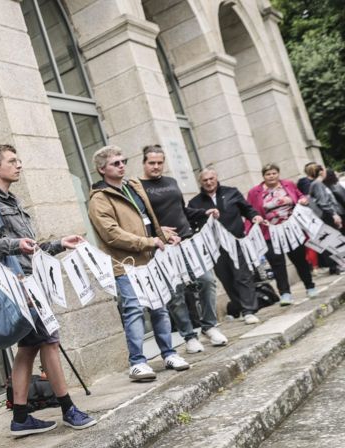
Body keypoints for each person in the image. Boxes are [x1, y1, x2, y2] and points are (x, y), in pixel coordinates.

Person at [0, 144, 95, 436]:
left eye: (19, 160)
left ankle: (21, 417)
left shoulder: (15, 202)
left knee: (29, 347)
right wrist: (13, 245)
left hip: (31, 282)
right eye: (12, 161)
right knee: (49, 340)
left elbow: (29, 249)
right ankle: (68, 409)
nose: (19, 165)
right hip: (17, 287)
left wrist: (60, 244)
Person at [86, 145, 191, 382]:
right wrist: (149, 241)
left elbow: (150, 220)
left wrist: (162, 237)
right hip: (125, 264)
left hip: (150, 259)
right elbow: (112, 234)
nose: (122, 165)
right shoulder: (99, 199)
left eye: (123, 161)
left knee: (159, 306)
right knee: (134, 309)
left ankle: (169, 353)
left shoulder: (132, 187)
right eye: (115, 163)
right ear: (102, 169)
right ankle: (137, 362)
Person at [139, 145, 227, 354]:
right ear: (144, 163)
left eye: (160, 162)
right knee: (175, 294)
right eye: (152, 162)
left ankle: (209, 326)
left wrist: (205, 213)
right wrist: (158, 233)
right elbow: (140, 220)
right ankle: (189, 336)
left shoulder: (171, 182)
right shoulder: (138, 187)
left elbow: (182, 210)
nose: (156, 166)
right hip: (164, 248)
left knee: (207, 280)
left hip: (187, 241)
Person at [189, 168, 265, 325]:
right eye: (205, 180)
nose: (209, 182)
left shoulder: (232, 192)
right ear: (200, 183)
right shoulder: (195, 203)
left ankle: (248, 310)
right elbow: (191, 224)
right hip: (215, 248)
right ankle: (240, 305)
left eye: (211, 179)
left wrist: (254, 216)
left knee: (242, 275)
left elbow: (247, 209)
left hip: (236, 242)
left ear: (216, 178)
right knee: (226, 278)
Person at [246, 163, 316, 304]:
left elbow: (300, 196)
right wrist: (249, 230)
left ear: (278, 174)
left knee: (299, 259)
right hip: (269, 231)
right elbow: (249, 210)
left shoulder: (288, 184)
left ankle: (309, 286)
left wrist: (303, 200)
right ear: (263, 176)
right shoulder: (255, 192)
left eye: (274, 173)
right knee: (277, 263)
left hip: (291, 229)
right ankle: (285, 294)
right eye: (268, 174)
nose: (271, 176)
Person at [304, 163, 343, 274]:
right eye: (324, 170)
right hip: (326, 217)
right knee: (332, 241)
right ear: (320, 172)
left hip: (325, 216)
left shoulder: (318, 184)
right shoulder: (317, 184)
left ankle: (337, 266)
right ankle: (337, 266)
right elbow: (323, 202)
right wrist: (334, 214)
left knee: (332, 241)